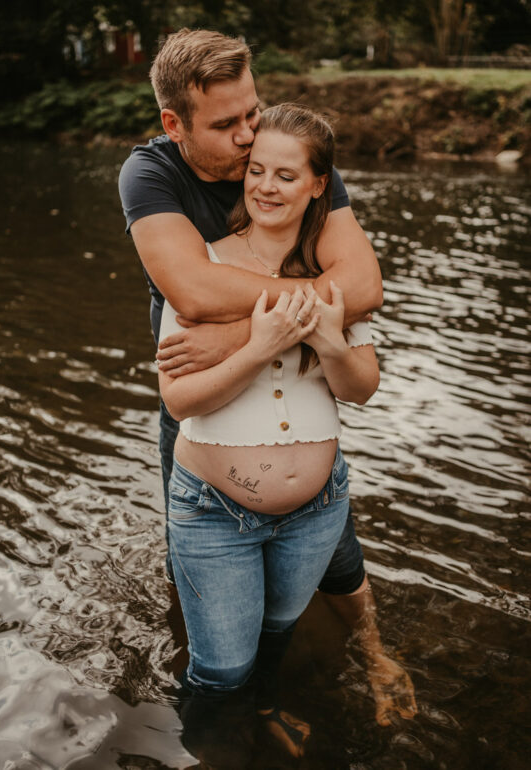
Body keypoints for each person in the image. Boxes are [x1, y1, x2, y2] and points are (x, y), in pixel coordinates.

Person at [118, 28, 416, 728]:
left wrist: (238, 325)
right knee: (184, 547)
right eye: (228, 126)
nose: (253, 142)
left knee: (336, 547)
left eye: (254, 111)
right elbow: (190, 292)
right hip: (197, 379)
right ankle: (208, 663)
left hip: (285, 404)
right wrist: (263, 328)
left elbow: (365, 284)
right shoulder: (150, 174)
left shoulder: (290, 158)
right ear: (175, 124)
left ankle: (368, 649)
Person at [159, 101, 379, 753]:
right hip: (212, 512)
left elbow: (361, 389)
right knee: (220, 670)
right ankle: (213, 751)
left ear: (319, 185)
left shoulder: (336, 278)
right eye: (256, 170)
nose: (265, 187)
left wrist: (331, 340)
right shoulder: (202, 268)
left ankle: (266, 711)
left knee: (278, 630)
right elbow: (179, 401)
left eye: (287, 175)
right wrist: (257, 346)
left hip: (316, 511)